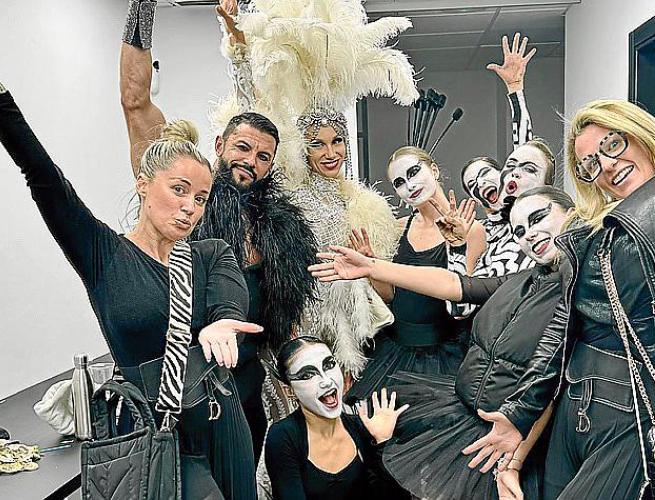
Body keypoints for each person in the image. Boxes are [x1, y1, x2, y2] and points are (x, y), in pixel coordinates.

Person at [471, 2, 655, 498]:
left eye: (612, 144)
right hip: (574, 413)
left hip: (638, 418)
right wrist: (520, 415)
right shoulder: (589, 234)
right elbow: (562, 331)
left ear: (639, 133)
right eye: (589, 164)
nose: (606, 166)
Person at [0, 83, 259, 498]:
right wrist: (4, 104)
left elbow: (228, 301)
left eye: (201, 198)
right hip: (147, 431)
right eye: (179, 190)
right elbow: (44, 177)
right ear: (143, 185)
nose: (190, 207)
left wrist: (223, 323)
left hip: (218, 420)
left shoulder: (210, 253)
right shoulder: (104, 255)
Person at [119, 0, 320, 461]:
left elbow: (281, 314)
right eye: (242, 148)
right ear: (219, 145)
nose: (251, 161)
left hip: (244, 384)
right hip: (179, 382)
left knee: (241, 481)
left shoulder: (280, 230)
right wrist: (142, 7)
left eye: (263, 156)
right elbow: (135, 103)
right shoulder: (185, 199)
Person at [309, 186, 575, 499]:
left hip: (512, 438)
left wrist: (513, 463)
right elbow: (455, 285)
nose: (529, 233)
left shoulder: (577, 292)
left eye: (538, 217)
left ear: (572, 213)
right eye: (519, 230)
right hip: (466, 416)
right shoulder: (526, 278)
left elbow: (549, 382)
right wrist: (373, 267)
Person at [216, 0, 417, 379]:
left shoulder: (364, 206)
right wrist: (237, 41)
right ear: (302, 149)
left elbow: (387, 293)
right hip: (297, 322)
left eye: (337, 141)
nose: (330, 153)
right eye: (318, 144)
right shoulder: (289, 189)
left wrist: (369, 265)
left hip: (352, 329)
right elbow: (250, 110)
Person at [345, 145, 485, 405]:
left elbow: (463, 302)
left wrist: (457, 245)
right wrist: (372, 266)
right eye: (399, 182)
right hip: (394, 350)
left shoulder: (471, 230)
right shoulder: (398, 228)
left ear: (434, 170)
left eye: (413, 172)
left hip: (443, 356)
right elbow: (390, 297)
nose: (409, 185)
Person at [447, 33, 556, 319]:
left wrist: (515, 89)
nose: (481, 183)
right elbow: (459, 308)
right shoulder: (488, 235)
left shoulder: (545, 218)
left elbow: (526, 152)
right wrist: (456, 248)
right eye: (473, 185)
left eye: (485, 173)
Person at [265, 336, 410, 500]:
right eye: (308, 375)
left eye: (329, 365)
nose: (326, 381)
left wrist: (383, 443)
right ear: (290, 390)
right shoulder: (283, 436)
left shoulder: (362, 427)